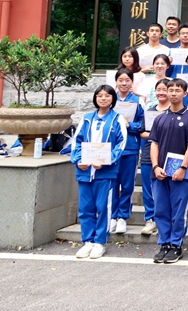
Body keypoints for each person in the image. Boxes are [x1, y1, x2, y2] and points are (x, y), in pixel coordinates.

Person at [71, 85, 126, 260]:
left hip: (105, 172)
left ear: (112, 99)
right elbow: (76, 141)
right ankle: (87, 240)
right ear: (95, 98)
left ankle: (100, 242)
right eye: (100, 95)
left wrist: (106, 160)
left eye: (107, 96)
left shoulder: (117, 119)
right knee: (85, 208)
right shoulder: (87, 119)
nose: (103, 98)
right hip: (85, 171)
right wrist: (78, 160)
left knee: (103, 208)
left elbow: (121, 144)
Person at [149, 78, 188, 264]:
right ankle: (164, 243)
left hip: (180, 173)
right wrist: (155, 166)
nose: (173, 93)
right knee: (160, 209)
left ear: (185, 93)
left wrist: (183, 168)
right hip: (160, 172)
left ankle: (176, 244)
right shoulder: (160, 118)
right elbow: (154, 143)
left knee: (179, 211)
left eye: (177, 90)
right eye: (170, 90)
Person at [111, 69, 145, 235]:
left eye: (127, 80)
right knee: (112, 183)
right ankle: (112, 216)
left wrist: (129, 125)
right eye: (121, 80)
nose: (124, 83)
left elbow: (143, 124)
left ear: (132, 82)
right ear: (116, 82)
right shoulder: (110, 99)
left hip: (130, 148)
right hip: (111, 148)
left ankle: (123, 216)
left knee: (127, 184)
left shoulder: (138, 101)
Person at [139, 78, 171, 236]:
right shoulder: (150, 111)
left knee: (169, 189)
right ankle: (150, 219)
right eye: (158, 90)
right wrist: (156, 134)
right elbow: (142, 132)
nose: (161, 92)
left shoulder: (175, 111)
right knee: (148, 188)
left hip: (171, 154)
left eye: (165, 89)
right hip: (149, 152)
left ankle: (166, 220)